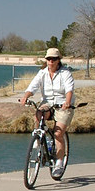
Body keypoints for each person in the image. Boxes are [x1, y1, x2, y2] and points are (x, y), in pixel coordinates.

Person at [19, 48, 75, 178]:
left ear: (58, 60)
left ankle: (59, 163)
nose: (51, 61)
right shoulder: (42, 73)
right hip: (48, 102)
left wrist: (67, 102)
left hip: (62, 105)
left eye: (54, 59)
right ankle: (39, 137)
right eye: (49, 59)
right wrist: (25, 96)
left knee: (58, 133)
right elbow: (33, 86)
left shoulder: (65, 73)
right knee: (39, 114)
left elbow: (69, 89)